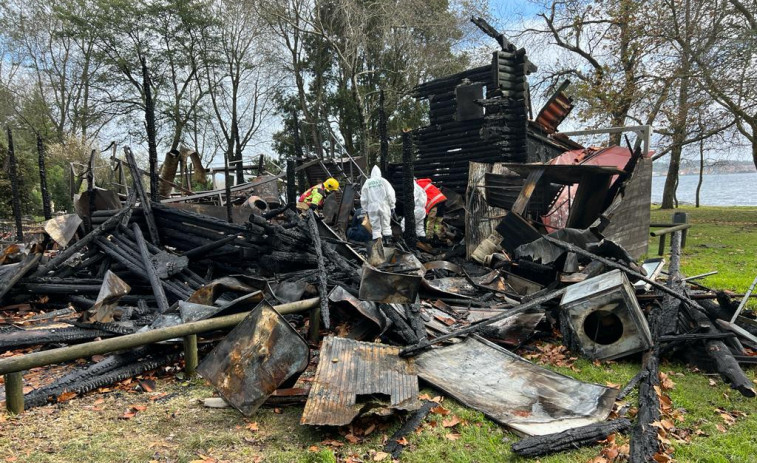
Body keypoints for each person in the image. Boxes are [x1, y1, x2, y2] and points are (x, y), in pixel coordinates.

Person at [360, 166, 396, 243]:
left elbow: (364, 198)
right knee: (386, 225)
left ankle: (378, 244)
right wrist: (392, 206)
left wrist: (365, 209)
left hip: (372, 207)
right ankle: (387, 242)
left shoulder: (367, 182)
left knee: (375, 227)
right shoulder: (383, 181)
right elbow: (390, 194)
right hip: (384, 205)